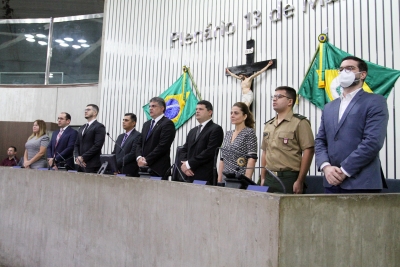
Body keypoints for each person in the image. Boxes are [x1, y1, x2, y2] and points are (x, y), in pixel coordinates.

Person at [315, 56, 389, 193]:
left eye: (350, 68)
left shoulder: (375, 101)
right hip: (331, 182)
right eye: (341, 69)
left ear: (362, 74)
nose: (344, 72)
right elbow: (320, 140)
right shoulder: (329, 107)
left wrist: (344, 170)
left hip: (362, 183)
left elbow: (373, 142)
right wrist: (326, 167)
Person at [260, 86, 314, 194]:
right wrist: (262, 177)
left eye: (279, 96)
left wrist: (300, 180)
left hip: (289, 178)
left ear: (290, 101)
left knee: (288, 209)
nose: (274, 99)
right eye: (273, 97)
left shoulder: (300, 122)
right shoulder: (269, 125)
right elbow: (265, 152)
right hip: (269, 177)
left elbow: (309, 150)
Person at [180, 100, 224, 184]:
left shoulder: (215, 129)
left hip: (204, 176)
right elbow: (184, 149)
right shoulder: (193, 131)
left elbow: (210, 152)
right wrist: (184, 166)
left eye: (201, 109)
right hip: (188, 175)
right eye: (196, 109)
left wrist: (189, 164)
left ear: (210, 112)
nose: (197, 111)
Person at [217, 102, 258, 183]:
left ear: (245, 116)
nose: (232, 115)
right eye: (231, 113)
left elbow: (252, 159)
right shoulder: (228, 134)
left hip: (239, 179)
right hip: (225, 178)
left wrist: (246, 181)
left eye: (236, 113)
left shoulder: (249, 133)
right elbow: (222, 159)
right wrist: (219, 180)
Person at [136, 97, 176, 179]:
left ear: (162, 108)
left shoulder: (167, 124)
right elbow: (139, 143)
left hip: (158, 169)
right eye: (150, 106)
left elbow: (163, 146)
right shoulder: (146, 124)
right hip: (143, 168)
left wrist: (146, 160)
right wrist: (139, 158)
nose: (150, 108)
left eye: (154, 106)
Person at [74, 104, 106, 173]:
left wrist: (83, 157)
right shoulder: (82, 127)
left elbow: (97, 145)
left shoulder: (99, 126)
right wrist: (77, 157)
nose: (85, 111)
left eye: (88, 110)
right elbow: (76, 144)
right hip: (80, 164)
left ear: (95, 113)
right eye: (85, 110)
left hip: (92, 164)